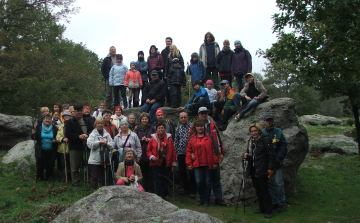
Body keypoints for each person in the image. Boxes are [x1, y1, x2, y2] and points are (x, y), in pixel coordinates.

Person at [194, 107, 227, 206]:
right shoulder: (195, 126)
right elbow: (190, 140)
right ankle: (203, 199)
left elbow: (218, 139)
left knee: (216, 178)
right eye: (201, 113)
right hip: (201, 157)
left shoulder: (212, 125)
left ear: (207, 114)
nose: (203, 115)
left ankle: (218, 198)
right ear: (198, 115)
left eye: (205, 113)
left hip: (213, 156)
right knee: (203, 180)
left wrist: (220, 153)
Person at [244, 123, 276, 218]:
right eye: (252, 131)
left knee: (264, 190)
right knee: (257, 190)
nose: (254, 133)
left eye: (255, 131)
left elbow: (271, 155)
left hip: (263, 168)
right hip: (254, 168)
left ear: (259, 131)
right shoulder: (251, 141)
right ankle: (261, 207)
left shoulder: (266, 139)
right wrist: (247, 156)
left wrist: (270, 168)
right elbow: (252, 154)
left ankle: (268, 210)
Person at [186, 120, 219, 207]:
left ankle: (207, 200)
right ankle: (201, 198)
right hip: (197, 164)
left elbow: (214, 150)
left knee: (208, 182)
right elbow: (188, 151)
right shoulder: (192, 139)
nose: (200, 128)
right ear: (195, 128)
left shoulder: (210, 137)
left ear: (204, 127)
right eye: (198, 126)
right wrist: (189, 163)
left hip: (208, 163)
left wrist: (215, 162)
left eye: (201, 126)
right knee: (199, 181)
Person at [262, 115, 288, 213]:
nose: (268, 122)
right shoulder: (262, 132)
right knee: (270, 184)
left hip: (277, 162)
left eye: (270, 120)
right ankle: (274, 202)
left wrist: (279, 158)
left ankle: (282, 203)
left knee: (279, 183)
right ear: (264, 122)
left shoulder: (278, 132)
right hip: (267, 163)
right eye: (267, 121)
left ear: (272, 121)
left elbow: (283, 146)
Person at [146, 122, 177, 199]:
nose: (160, 129)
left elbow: (173, 151)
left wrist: (174, 164)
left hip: (167, 161)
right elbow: (148, 150)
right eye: (159, 128)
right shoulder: (153, 139)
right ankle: (159, 194)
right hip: (155, 162)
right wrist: (152, 157)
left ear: (165, 129)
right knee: (157, 178)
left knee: (165, 178)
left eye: (162, 128)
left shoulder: (169, 138)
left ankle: (166, 193)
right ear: (156, 129)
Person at [65, 105, 93, 187]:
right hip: (75, 147)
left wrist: (87, 135)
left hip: (86, 146)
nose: (79, 112)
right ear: (74, 112)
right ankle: (75, 183)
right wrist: (78, 136)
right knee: (75, 166)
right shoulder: (70, 121)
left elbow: (92, 130)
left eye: (81, 110)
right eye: (77, 111)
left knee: (88, 164)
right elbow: (68, 134)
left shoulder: (87, 120)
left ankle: (89, 181)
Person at [87, 117, 115, 191]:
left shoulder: (107, 134)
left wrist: (107, 144)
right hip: (94, 159)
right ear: (95, 125)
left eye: (101, 123)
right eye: (98, 123)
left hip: (105, 158)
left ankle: (104, 192)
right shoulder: (92, 134)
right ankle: (93, 192)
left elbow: (112, 144)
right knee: (94, 177)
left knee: (104, 177)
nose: (100, 125)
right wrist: (99, 142)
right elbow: (90, 145)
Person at [174, 112, 196, 198]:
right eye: (182, 118)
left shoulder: (193, 127)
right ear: (180, 119)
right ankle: (186, 189)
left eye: (185, 117)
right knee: (182, 171)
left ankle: (193, 190)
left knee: (191, 171)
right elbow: (176, 141)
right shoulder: (178, 129)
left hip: (191, 152)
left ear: (188, 118)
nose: (183, 119)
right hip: (180, 153)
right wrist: (175, 152)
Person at [33, 114, 58, 181]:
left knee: (50, 164)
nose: (47, 120)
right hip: (41, 149)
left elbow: (56, 136)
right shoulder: (39, 127)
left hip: (51, 149)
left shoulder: (54, 128)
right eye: (46, 119)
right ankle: (40, 177)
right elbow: (35, 138)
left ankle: (49, 177)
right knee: (40, 164)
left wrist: (54, 140)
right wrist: (33, 134)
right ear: (43, 120)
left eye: (49, 119)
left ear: (51, 120)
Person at [134, 113, 154, 192]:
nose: (144, 121)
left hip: (150, 155)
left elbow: (156, 139)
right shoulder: (137, 129)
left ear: (148, 120)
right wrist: (140, 140)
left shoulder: (152, 129)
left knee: (150, 175)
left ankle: (151, 191)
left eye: (146, 119)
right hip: (141, 156)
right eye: (143, 119)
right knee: (142, 175)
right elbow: (133, 141)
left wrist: (150, 140)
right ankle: (144, 190)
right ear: (140, 120)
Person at [56, 110, 71, 180]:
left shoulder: (73, 125)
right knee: (63, 164)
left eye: (68, 115)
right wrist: (62, 139)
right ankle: (65, 177)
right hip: (62, 148)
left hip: (70, 148)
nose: (66, 117)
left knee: (70, 164)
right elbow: (57, 137)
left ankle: (71, 177)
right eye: (65, 116)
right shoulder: (61, 126)